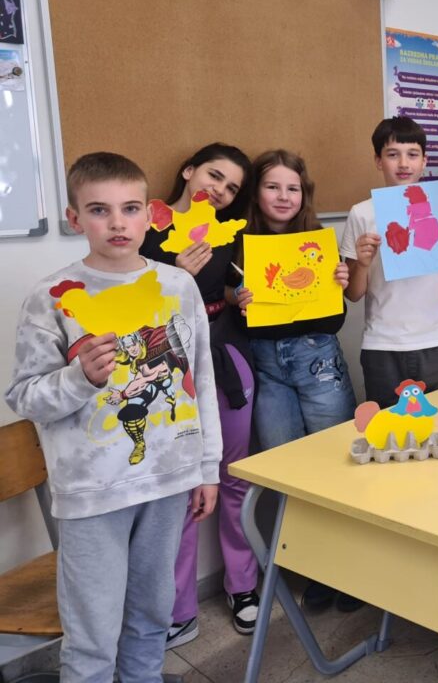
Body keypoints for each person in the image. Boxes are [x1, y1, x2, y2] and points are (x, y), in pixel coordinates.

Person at [5, 152, 222, 681]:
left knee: (151, 619)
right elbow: (24, 397)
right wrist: (81, 378)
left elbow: (200, 380)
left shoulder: (178, 285)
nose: (117, 223)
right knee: (93, 638)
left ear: (150, 215)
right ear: (75, 218)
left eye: (129, 209)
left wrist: (207, 468)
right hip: (93, 492)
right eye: (99, 210)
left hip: (168, 480)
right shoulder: (53, 297)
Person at [139, 143, 260, 646]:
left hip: (228, 355)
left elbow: (224, 291)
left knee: (234, 475)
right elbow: (133, 312)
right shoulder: (144, 226)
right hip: (167, 364)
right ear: (188, 171)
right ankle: (178, 609)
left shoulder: (228, 233)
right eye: (214, 175)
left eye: (232, 187)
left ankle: (243, 585)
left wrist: (239, 296)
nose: (221, 190)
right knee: (180, 486)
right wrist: (177, 275)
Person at [237, 149, 359, 613]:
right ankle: (315, 568)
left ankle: (349, 571)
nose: (283, 196)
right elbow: (235, 317)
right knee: (288, 472)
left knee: (336, 465)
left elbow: (334, 320)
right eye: (273, 186)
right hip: (267, 368)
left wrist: (338, 284)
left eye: (293, 188)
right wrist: (237, 297)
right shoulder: (239, 245)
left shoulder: (318, 243)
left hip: (318, 361)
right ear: (256, 193)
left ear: (304, 194)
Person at [341, 117, 438, 407]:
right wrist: (362, 263)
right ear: (378, 161)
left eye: (412, 154)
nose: (403, 163)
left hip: (434, 340)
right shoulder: (361, 213)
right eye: (392, 154)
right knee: (389, 425)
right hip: (382, 344)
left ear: (424, 161)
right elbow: (353, 293)